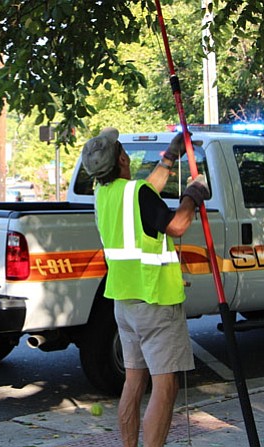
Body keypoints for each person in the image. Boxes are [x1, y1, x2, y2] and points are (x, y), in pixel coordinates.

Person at [80, 128, 209, 447]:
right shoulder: (136, 194)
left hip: (125, 304)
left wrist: (168, 158)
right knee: (165, 387)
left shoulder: (106, 195)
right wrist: (192, 195)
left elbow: (144, 197)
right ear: (122, 158)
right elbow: (176, 225)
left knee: (134, 382)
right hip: (156, 301)